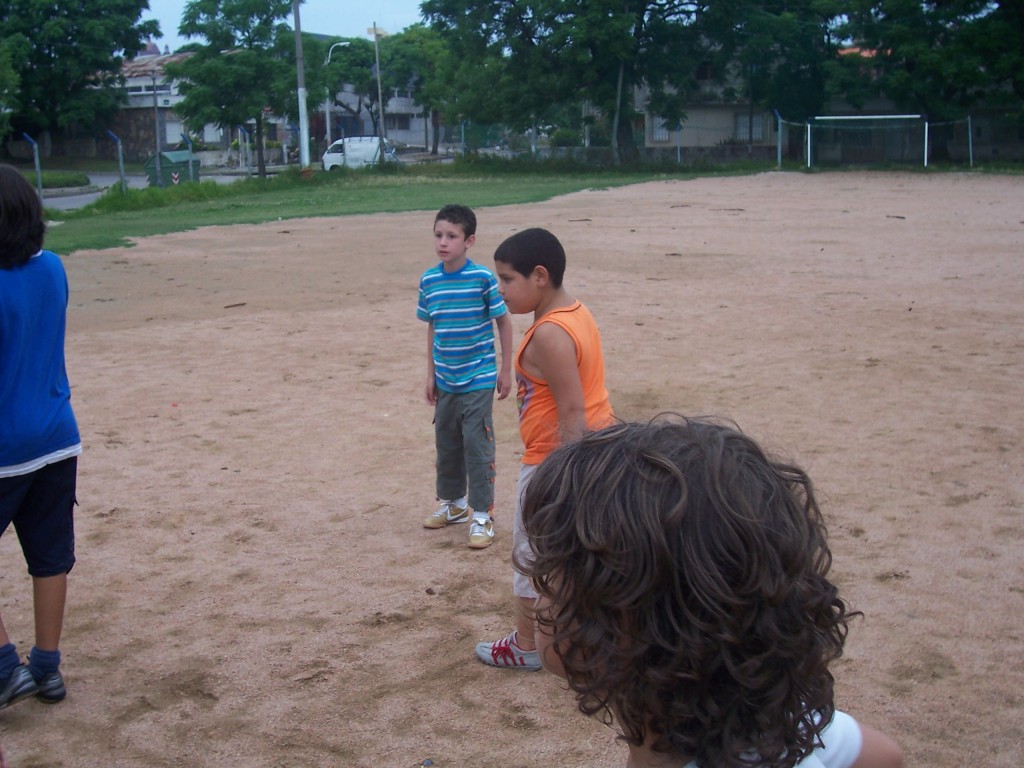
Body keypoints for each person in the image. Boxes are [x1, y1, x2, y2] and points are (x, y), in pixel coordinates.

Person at [517, 416, 904, 768]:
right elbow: (884, 754)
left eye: (553, 567)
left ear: (624, 624)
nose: (538, 583)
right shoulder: (769, 721)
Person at [475, 228, 614, 669]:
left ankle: (528, 645)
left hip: (555, 462)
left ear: (539, 276)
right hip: (594, 450)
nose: (499, 289)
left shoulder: (550, 334)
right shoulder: (576, 312)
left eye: (506, 279)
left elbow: (572, 409)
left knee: (531, 557)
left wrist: (570, 480)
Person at [0, 164, 82, 709]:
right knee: (49, 556)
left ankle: (6, 668)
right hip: (56, 437)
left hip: (5, 444)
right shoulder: (52, 268)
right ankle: (47, 668)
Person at [418, 204, 512, 549]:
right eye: (438, 235)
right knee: (447, 443)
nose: (443, 242)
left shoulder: (483, 279)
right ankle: (454, 504)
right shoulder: (429, 281)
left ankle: (482, 515)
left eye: (452, 236)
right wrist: (431, 375)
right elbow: (432, 327)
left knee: (477, 444)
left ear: (469, 241)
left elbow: (503, 321)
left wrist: (506, 368)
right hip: (446, 378)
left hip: (479, 377)